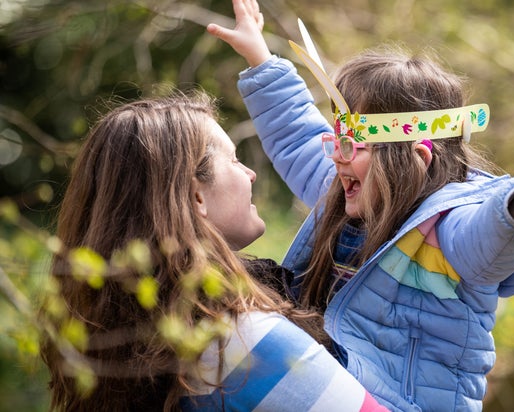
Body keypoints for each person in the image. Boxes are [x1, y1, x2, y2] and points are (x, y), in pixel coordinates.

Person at [207, 0, 514, 410]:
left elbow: (484, 239)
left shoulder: (446, 226)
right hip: (339, 387)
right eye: (337, 139)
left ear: (417, 158)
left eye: (353, 144)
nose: (337, 157)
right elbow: (297, 134)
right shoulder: (345, 192)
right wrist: (259, 56)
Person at [39, 92, 388, 412]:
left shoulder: (118, 343)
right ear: (196, 197)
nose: (250, 174)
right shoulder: (245, 345)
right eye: (235, 160)